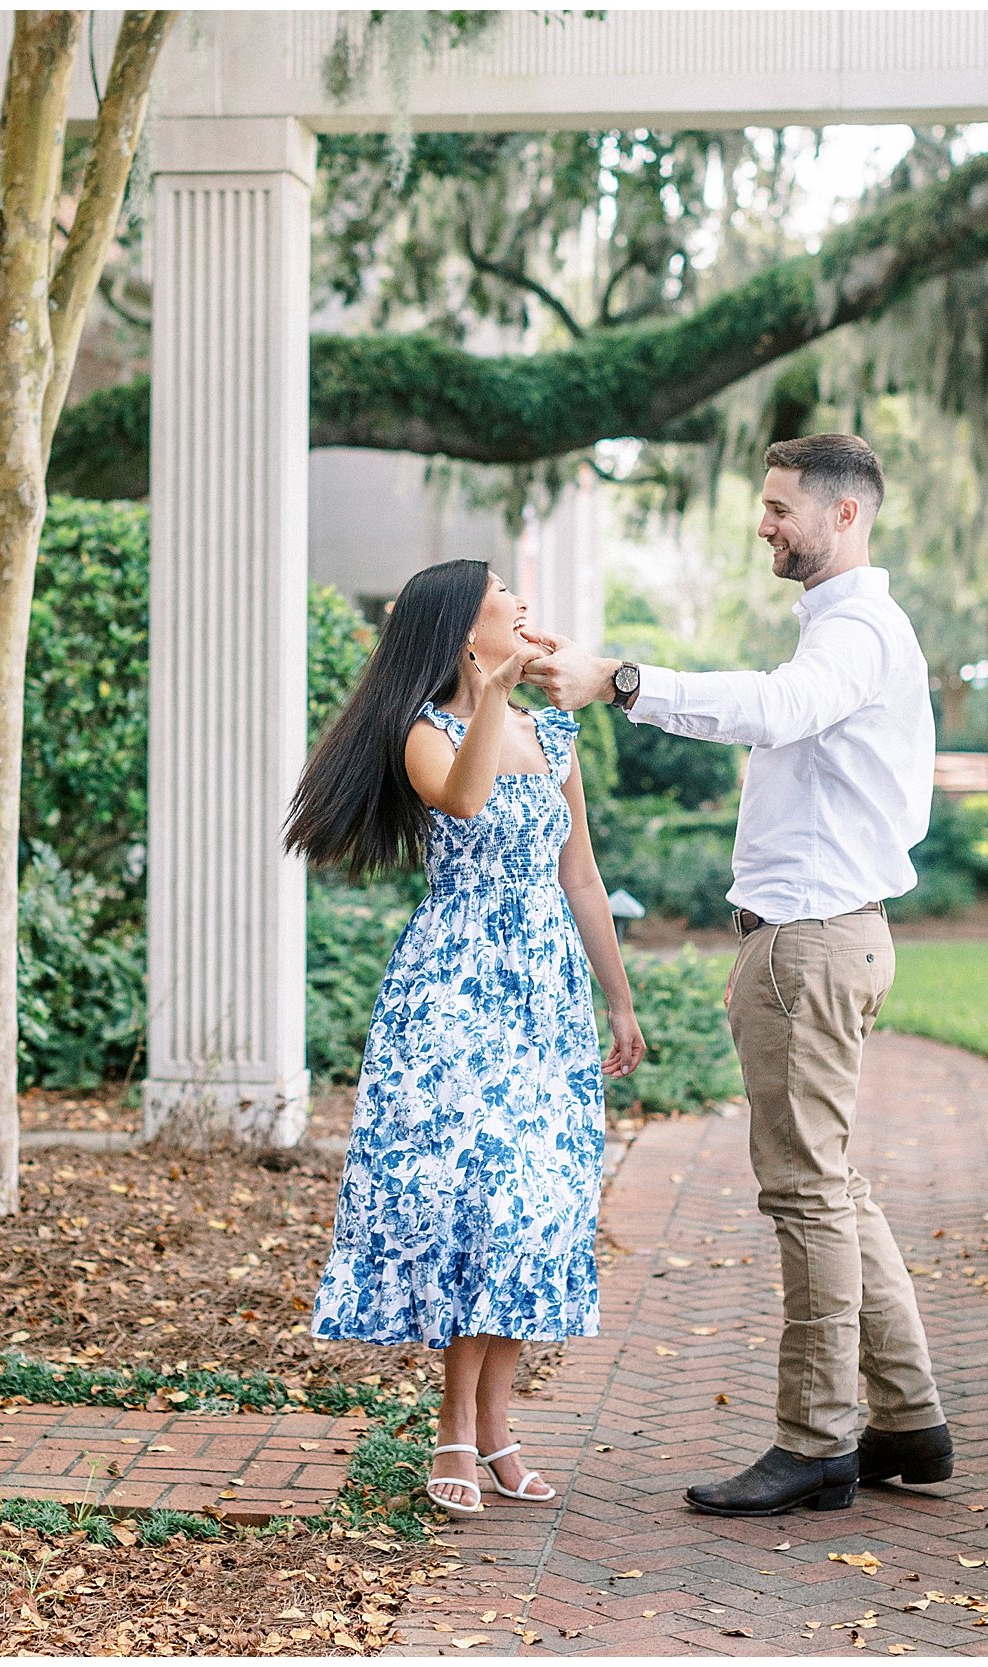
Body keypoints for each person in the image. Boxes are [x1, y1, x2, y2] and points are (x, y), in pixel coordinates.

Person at [527, 432, 952, 1517]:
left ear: (845, 515)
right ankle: (909, 1419)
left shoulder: (855, 631)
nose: (763, 522)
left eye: (779, 506)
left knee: (806, 1190)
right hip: (821, 933)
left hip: (808, 939)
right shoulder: (854, 628)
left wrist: (619, 679)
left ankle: (816, 1439)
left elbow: (770, 709)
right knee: (835, 1180)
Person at [288, 559, 646, 1520]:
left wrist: (617, 999)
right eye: (505, 597)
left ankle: (500, 1424)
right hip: (455, 993)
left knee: (537, 1205)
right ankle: (456, 1424)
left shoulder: (556, 728)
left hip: (546, 993)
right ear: (465, 629)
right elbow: (464, 802)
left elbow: (580, 875)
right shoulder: (426, 732)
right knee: (482, 1200)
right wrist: (488, 696)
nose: (526, 605)